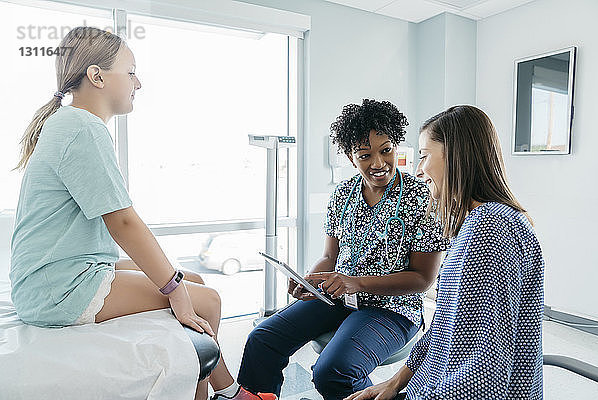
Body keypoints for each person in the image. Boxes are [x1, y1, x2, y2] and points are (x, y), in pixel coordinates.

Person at [9, 27, 275, 400]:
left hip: (58, 273)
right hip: (58, 287)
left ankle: (226, 394)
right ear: (97, 76)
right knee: (206, 299)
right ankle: (227, 394)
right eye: (131, 71)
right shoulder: (83, 127)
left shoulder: (69, 123)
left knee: (193, 277)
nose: (139, 82)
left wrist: (178, 284)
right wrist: (176, 293)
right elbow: (122, 221)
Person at [237, 99, 448, 399]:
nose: (378, 163)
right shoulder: (343, 194)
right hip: (338, 298)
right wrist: (309, 281)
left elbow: (423, 279)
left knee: (332, 371)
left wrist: (355, 282)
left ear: (395, 146)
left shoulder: (422, 197)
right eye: (365, 155)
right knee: (262, 339)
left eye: (385, 150)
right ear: (351, 158)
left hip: (393, 309)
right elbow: (329, 257)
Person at [346, 105, 545, 400]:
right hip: (430, 384)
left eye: (425, 155)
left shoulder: (491, 229)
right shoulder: (477, 224)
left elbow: (483, 375)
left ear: (455, 155)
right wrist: (394, 383)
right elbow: (444, 328)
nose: (418, 169)